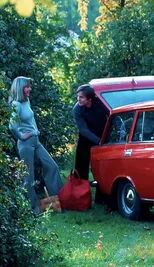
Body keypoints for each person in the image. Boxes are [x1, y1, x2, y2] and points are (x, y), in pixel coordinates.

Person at [9, 76, 63, 214]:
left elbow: (30, 119)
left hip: (36, 141)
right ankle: (33, 209)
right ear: (20, 88)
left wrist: (35, 130)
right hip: (26, 144)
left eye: (29, 86)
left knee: (52, 166)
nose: (30, 89)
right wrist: (21, 136)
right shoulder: (16, 104)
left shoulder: (26, 101)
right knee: (28, 177)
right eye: (27, 86)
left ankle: (59, 200)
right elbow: (12, 126)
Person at [73, 84, 109, 181]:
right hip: (86, 138)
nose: (78, 99)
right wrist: (98, 141)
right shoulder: (77, 109)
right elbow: (83, 130)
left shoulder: (102, 103)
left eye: (81, 97)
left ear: (90, 99)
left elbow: (113, 116)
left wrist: (120, 132)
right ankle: (80, 192)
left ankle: (103, 192)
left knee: (102, 167)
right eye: (78, 96)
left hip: (102, 135)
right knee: (81, 168)